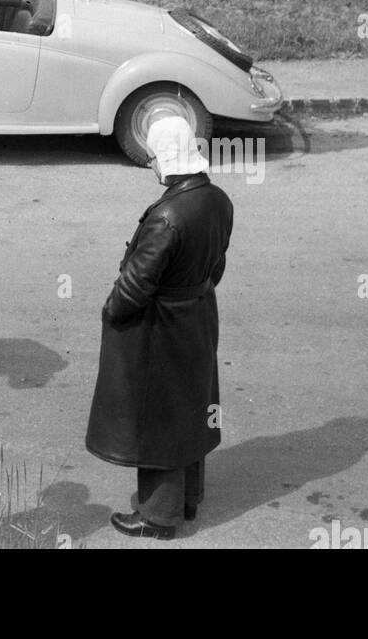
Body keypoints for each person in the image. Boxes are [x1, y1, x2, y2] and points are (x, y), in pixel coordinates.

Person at [85, 116, 234, 539]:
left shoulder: (167, 215)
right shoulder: (218, 200)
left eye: (153, 156)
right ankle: (188, 499)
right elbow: (216, 265)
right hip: (199, 315)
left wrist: (112, 311)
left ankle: (157, 517)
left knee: (158, 420)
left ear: (166, 158)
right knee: (189, 409)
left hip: (161, 328)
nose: (151, 164)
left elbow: (135, 286)